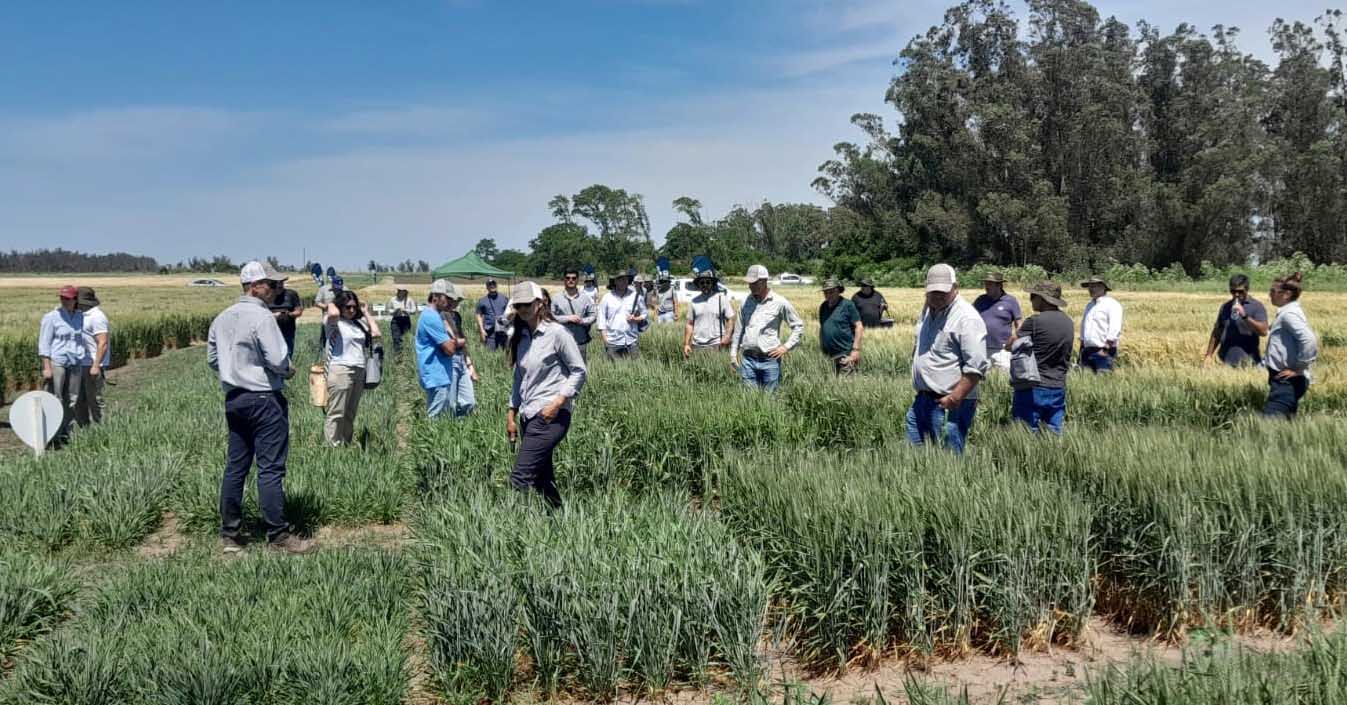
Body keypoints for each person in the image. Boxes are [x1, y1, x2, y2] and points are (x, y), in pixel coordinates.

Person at [207, 261, 313, 554]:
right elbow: (279, 360)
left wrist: (235, 370)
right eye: (273, 284)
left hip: (234, 399)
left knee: (236, 467)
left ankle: (230, 534)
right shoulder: (263, 317)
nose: (278, 290)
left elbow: (213, 360)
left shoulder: (222, 318)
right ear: (254, 286)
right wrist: (288, 371)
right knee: (270, 468)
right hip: (264, 398)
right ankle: (278, 535)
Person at [506, 281, 587, 509]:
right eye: (518, 305)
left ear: (540, 303)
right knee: (542, 478)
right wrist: (511, 414)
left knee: (519, 478)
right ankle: (558, 519)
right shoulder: (522, 336)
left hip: (551, 416)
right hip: (528, 415)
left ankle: (508, 530)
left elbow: (579, 370)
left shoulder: (557, 333)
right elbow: (519, 379)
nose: (523, 309)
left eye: (527, 304)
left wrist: (558, 402)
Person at [907, 264, 989, 454]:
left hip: (950, 404)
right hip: (922, 400)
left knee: (948, 463)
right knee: (912, 459)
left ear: (956, 287)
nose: (937, 296)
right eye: (932, 291)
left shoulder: (966, 318)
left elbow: (976, 366)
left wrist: (955, 397)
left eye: (942, 292)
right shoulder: (928, 310)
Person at [1006, 282, 1073, 434]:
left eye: (1033, 296)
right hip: (1058, 386)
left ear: (1043, 299)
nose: (1031, 300)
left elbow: (1011, 344)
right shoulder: (1068, 322)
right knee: (1054, 432)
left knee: (1025, 433)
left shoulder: (1035, 321)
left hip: (1033, 386)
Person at [730, 265, 804, 392]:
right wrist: (733, 354)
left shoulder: (779, 302)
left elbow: (798, 326)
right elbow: (738, 330)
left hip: (770, 360)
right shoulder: (745, 302)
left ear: (764, 281)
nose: (750, 286)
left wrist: (785, 347)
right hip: (748, 359)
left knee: (770, 399)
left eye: (754, 283)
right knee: (749, 399)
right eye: (749, 283)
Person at [323, 290, 381, 446]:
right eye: (348, 307)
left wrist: (366, 313)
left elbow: (376, 333)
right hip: (341, 369)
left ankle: (346, 444)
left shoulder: (357, 323)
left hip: (359, 370)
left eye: (354, 307)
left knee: (350, 412)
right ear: (340, 306)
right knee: (337, 412)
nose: (351, 310)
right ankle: (332, 447)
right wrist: (332, 303)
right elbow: (333, 313)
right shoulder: (332, 322)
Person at [1263, 272, 1318, 420]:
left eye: (1273, 291)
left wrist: (1299, 368)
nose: (1270, 295)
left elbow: (1309, 339)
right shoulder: (1288, 312)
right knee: (1286, 425)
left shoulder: (1289, 314)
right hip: (1284, 380)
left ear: (1286, 294)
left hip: (1287, 382)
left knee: (1267, 427)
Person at [37, 285, 86, 444]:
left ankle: (68, 432)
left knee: (72, 398)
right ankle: (53, 433)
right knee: (56, 398)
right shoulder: (51, 317)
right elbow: (44, 342)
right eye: (62, 298)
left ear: (75, 300)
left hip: (75, 362)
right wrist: (46, 366)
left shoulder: (80, 316)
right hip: (58, 361)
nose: (64, 301)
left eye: (68, 298)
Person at [417, 279, 465, 418]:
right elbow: (450, 349)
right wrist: (456, 342)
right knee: (436, 415)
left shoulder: (435, 315)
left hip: (438, 372)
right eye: (447, 297)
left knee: (441, 413)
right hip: (436, 373)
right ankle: (430, 439)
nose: (450, 301)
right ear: (435, 296)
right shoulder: (431, 317)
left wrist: (451, 341)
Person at [1204, 274, 1268, 367]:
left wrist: (1245, 316)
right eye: (1233, 291)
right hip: (1223, 362)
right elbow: (1217, 332)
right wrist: (1209, 355)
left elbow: (1264, 331)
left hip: (1248, 363)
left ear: (1247, 289)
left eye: (1240, 291)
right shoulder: (1226, 307)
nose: (1236, 294)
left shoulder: (1256, 306)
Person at [441, 283, 478, 417]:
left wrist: (470, 364)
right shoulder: (441, 315)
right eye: (456, 300)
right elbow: (453, 340)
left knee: (469, 402)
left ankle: (462, 427)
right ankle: (452, 431)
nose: (456, 303)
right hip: (448, 360)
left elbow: (462, 341)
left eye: (458, 301)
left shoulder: (456, 316)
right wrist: (459, 341)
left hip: (461, 359)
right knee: (450, 403)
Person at [75, 287, 110, 426]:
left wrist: (96, 365)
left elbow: (103, 343)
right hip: (80, 364)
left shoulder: (97, 317)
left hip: (92, 365)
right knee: (79, 399)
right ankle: (85, 429)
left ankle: (102, 428)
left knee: (94, 399)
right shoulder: (80, 315)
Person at [973, 272, 1022, 371]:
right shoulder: (980, 300)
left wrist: (1014, 340)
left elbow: (1019, 324)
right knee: (983, 381)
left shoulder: (1010, 301)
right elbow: (969, 318)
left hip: (1003, 350)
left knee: (1004, 380)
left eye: (990, 284)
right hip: (981, 348)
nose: (986, 286)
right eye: (986, 283)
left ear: (999, 285)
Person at [682, 268, 736, 357]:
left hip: (717, 345)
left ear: (712, 283)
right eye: (702, 283)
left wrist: (727, 336)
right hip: (697, 345)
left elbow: (730, 319)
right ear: (699, 285)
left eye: (708, 282)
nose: (705, 285)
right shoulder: (694, 302)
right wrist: (686, 344)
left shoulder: (721, 298)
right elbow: (689, 324)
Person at [597, 267, 646, 359]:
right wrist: (606, 341)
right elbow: (601, 320)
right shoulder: (607, 298)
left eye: (625, 279)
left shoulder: (636, 296)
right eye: (620, 279)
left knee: (634, 370)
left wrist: (636, 319)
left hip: (632, 341)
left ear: (628, 280)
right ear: (615, 281)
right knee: (613, 371)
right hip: (613, 342)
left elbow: (644, 314)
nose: (623, 281)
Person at [818, 279, 864, 375]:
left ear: (838, 291)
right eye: (825, 292)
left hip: (845, 354)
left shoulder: (847, 305)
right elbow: (823, 327)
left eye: (831, 292)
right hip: (828, 356)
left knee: (847, 387)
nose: (828, 295)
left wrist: (856, 350)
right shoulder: (823, 306)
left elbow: (859, 327)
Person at [1079, 276, 1123, 373]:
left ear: (1103, 287)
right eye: (1089, 286)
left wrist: (1105, 349)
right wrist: (1082, 347)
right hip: (1087, 350)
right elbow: (1084, 326)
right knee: (1087, 383)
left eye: (1094, 286)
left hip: (1104, 350)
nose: (1090, 289)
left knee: (1103, 382)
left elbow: (1115, 328)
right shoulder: (1089, 305)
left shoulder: (1112, 304)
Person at [553, 268, 597, 360]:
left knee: (580, 370)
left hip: (580, 341)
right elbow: (550, 317)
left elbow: (593, 316)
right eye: (568, 278)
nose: (570, 280)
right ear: (564, 280)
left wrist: (582, 321)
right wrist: (567, 318)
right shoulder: (556, 298)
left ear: (577, 280)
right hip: (561, 341)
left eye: (573, 278)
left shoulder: (585, 298)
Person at [476, 278, 509, 351]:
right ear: (487, 287)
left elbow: (510, 313)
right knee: (491, 354)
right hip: (490, 333)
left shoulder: (505, 299)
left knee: (505, 353)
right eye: (490, 284)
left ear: (496, 285)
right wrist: (481, 330)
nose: (492, 286)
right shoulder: (482, 301)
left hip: (503, 331)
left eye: (493, 284)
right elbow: (478, 315)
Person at [314, 275, 343, 351]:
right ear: (332, 284)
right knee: (326, 338)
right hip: (327, 318)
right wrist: (326, 307)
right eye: (336, 287)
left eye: (340, 287)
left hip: (342, 318)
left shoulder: (345, 289)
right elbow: (317, 302)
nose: (338, 289)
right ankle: (323, 353)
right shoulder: (323, 289)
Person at [387, 287, 418, 354]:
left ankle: (407, 354)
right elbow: (388, 310)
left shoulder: (409, 300)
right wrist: (395, 311)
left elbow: (414, 310)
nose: (402, 292)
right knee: (396, 338)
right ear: (398, 291)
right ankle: (398, 355)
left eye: (403, 291)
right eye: (400, 290)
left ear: (405, 291)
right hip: (396, 320)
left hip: (405, 320)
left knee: (406, 337)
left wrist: (406, 310)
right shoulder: (393, 299)